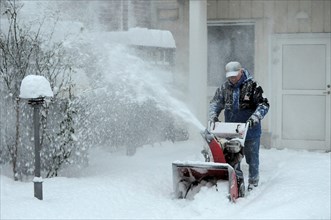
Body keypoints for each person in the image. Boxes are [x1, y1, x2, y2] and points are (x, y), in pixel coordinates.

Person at [208, 61, 269, 191]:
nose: (232, 78)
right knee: (233, 160)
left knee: (252, 160)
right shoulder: (224, 88)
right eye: (229, 76)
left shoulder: (253, 87)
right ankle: (236, 183)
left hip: (251, 132)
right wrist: (213, 115)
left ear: (241, 71)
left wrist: (254, 118)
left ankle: (253, 183)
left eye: (234, 75)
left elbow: (264, 105)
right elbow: (215, 104)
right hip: (231, 131)